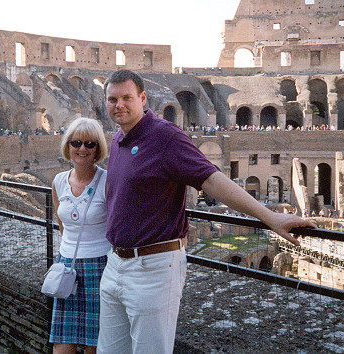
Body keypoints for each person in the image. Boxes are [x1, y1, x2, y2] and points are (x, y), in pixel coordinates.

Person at [98, 69, 316, 353]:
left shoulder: (165, 136)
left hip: (152, 268)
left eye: (127, 98)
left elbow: (212, 179)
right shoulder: (117, 140)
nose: (120, 105)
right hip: (115, 264)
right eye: (112, 99)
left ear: (142, 97)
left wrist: (269, 217)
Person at [49, 117, 111, 354]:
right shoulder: (58, 181)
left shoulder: (107, 180)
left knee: (96, 344)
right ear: (68, 146)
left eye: (90, 144)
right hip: (68, 267)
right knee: (63, 344)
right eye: (76, 143)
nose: (82, 149)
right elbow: (60, 221)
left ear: (98, 149)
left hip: (101, 267)